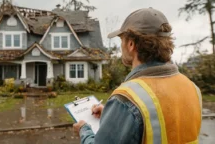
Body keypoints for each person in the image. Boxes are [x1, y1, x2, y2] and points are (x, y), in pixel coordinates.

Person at [73, 8, 202, 144]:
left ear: (130, 44)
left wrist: (84, 130)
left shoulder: (127, 98)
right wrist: (114, 116)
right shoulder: (192, 88)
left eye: (121, 40)